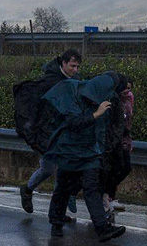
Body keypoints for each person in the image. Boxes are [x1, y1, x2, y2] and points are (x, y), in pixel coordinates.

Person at [43, 73, 126, 242]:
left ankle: (102, 228)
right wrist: (96, 114)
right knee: (63, 188)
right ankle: (56, 223)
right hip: (69, 151)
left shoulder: (105, 100)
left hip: (90, 152)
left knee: (92, 188)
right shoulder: (74, 96)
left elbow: (105, 130)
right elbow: (73, 123)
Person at [13, 49, 81, 215]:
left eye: (78, 66)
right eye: (72, 66)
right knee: (49, 168)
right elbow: (40, 107)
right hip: (47, 132)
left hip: (64, 132)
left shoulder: (74, 81)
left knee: (63, 170)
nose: (75, 70)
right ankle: (28, 190)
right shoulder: (50, 80)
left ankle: (58, 213)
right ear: (63, 63)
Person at [104, 75, 133, 212]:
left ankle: (109, 194)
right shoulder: (113, 101)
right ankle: (106, 196)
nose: (127, 91)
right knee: (115, 168)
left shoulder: (128, 99)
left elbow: (128, 122)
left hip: (124, 140)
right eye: (125, 88)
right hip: (115, 140)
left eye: (129, 88)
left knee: (125, 167)